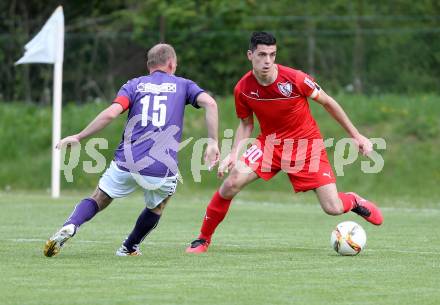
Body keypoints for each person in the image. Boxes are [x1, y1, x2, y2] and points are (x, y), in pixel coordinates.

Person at [186, 32, 383, 253]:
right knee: (231, 183)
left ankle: (354, 201)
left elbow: (328, 103)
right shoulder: (243, 88)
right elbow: (246, 125)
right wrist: (234, 154)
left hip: (306, 146)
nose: (268, 60)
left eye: (272, 54)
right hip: (268, 146)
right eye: (262, 54)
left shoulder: (296, 79)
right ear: (250, 55)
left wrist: (356, 136)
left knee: (333, 208)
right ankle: (202, 239)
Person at [44, 43, 219, 257]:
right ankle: (128, 247)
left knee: (99, 197)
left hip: (127, 161)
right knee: (158, 205)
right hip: (160, 166)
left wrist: (79, 136)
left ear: (149, 65)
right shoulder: (183, 85)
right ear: (172, 64)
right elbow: (210, 103)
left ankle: (71, 224)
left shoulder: (134, 85)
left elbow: (110, 114)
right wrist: (212, 141)